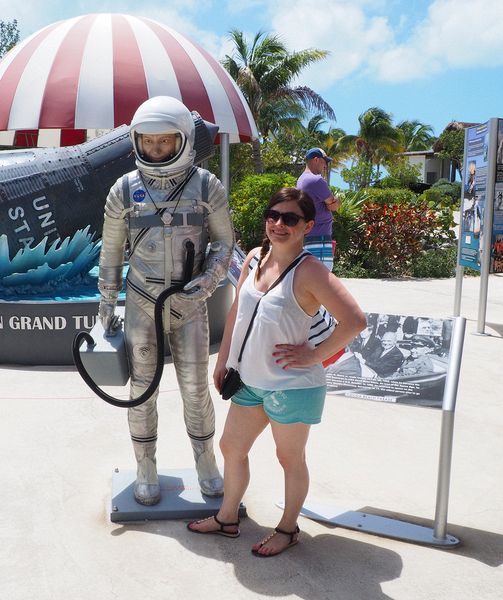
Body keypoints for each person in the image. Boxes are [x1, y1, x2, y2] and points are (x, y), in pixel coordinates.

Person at [187, 187, 365, 557]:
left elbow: (355, 321)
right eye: (273, 215)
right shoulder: (254, 258)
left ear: (308, 226)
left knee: (289, 459)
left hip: (292, 386)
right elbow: (238, 310)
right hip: (249, 380)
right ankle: (227, 517)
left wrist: (314, 354)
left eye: (290, 218)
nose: (278, 224)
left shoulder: (311, 271)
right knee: (231, 447)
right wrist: (223, 360)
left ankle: (287, 528)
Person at [97, 97, 234, 506]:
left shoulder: (207, 186)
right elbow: (110, 250)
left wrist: (208, 282)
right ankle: (146, 466)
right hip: (142, 299)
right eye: (148, 143)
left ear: (185, 140)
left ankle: (206, 461)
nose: (156, 151)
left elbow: (225, 243)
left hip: (190, 301)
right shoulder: (123, 190)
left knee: (194, 388)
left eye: (165, 143)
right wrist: (106, 300)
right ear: (136, 142)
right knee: (143, 389)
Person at [296, 148, 339, 271]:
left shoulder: (301, 179)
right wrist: (337, 201)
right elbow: (333, 204)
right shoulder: (316, 180)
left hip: (309, 238)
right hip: (319, 240)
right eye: (325, 161)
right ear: (316, 160)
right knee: (322, 280)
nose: (326, 165)